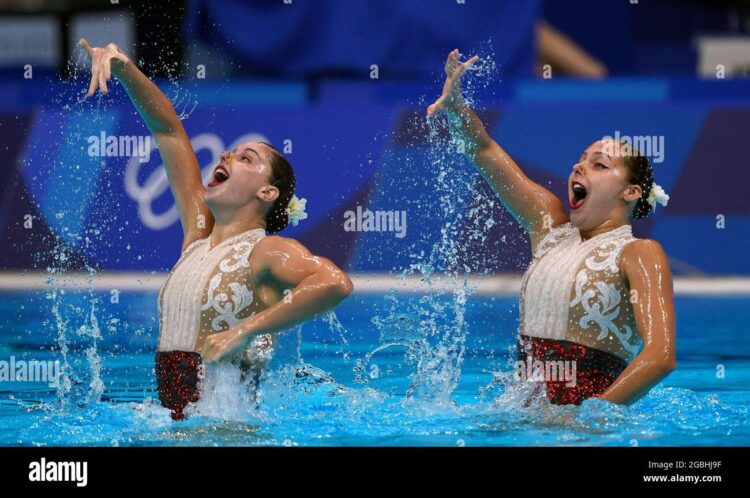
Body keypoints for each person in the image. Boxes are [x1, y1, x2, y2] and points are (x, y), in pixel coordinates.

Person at [80, 39, 353, 419]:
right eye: (230, 152)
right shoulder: (196, 240)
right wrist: (123, 67)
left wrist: (245, 331)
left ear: (267, 192)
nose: (227, 156)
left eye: (247, 158)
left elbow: (334, 283)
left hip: (230, 432)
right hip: (179, 426)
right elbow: (169, 132)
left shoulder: (267, 251)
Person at [427, 49, 676, 406]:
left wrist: (595, 414)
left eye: (599, 165)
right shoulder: (549, 230)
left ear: (631, 192)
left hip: (584, 430)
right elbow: (483, 150)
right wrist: (456, 106)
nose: (579, 168)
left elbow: (660, 355)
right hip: (523, 416)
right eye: (579, 161)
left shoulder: (638, 253)